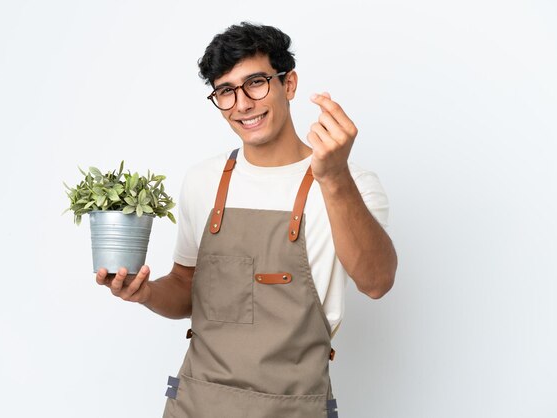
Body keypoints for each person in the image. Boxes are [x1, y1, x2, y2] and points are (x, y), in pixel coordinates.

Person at [96, 22, 397, 418]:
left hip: (293, 408)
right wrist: (146, 292)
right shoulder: (203, 181)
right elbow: (187, 286)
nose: (243, 104)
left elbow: (376, 282)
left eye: (256, 82)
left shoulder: (351, 182)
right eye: (226, 91)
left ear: (288, 84)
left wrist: (333, 177)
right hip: (196, 405)